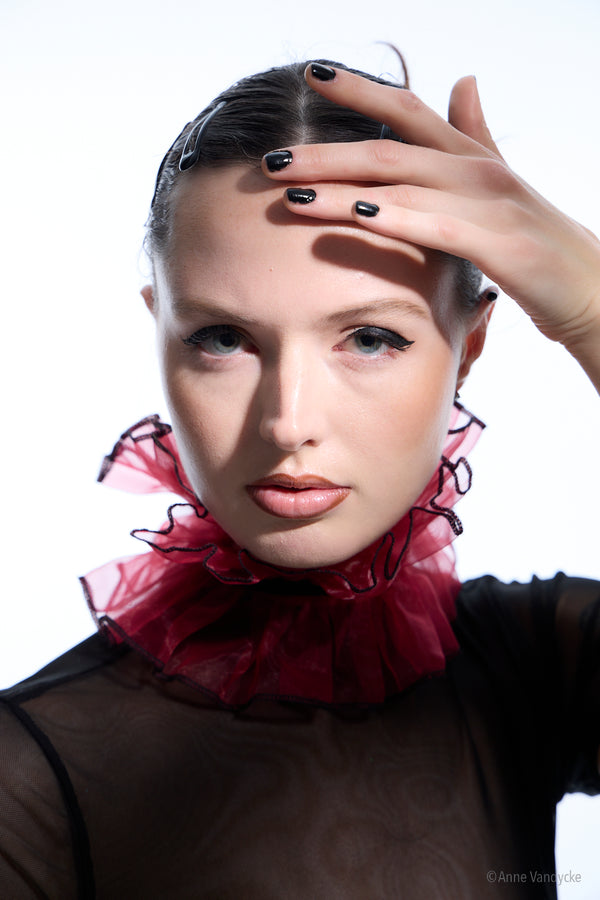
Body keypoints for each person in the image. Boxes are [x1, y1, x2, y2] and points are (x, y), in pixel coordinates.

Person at [0, 57, 598, 899]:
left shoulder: (541, 665)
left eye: (368, 339)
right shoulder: (30, 768)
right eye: (222, 337)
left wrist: (592, 307)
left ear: (470, 349)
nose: (287, 423)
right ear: (158, 333)